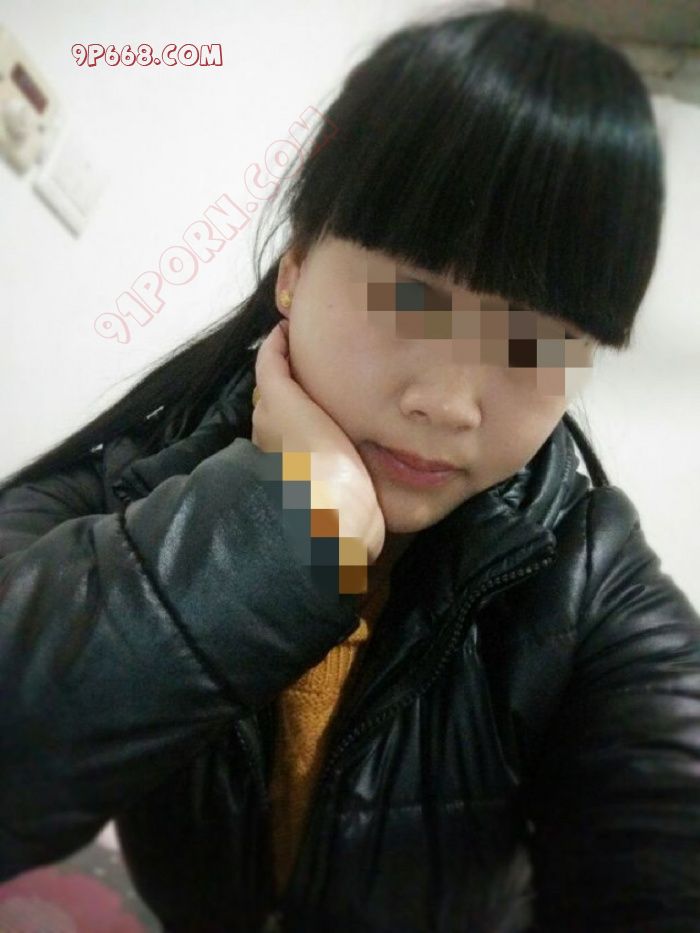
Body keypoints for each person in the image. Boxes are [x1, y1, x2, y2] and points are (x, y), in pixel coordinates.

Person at [1, 5, 698, 932]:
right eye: (411, 299)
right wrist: (289, 527)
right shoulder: (129, 489)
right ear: (294, 267)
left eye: (535, 344)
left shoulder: (587, 585)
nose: (449, 403)